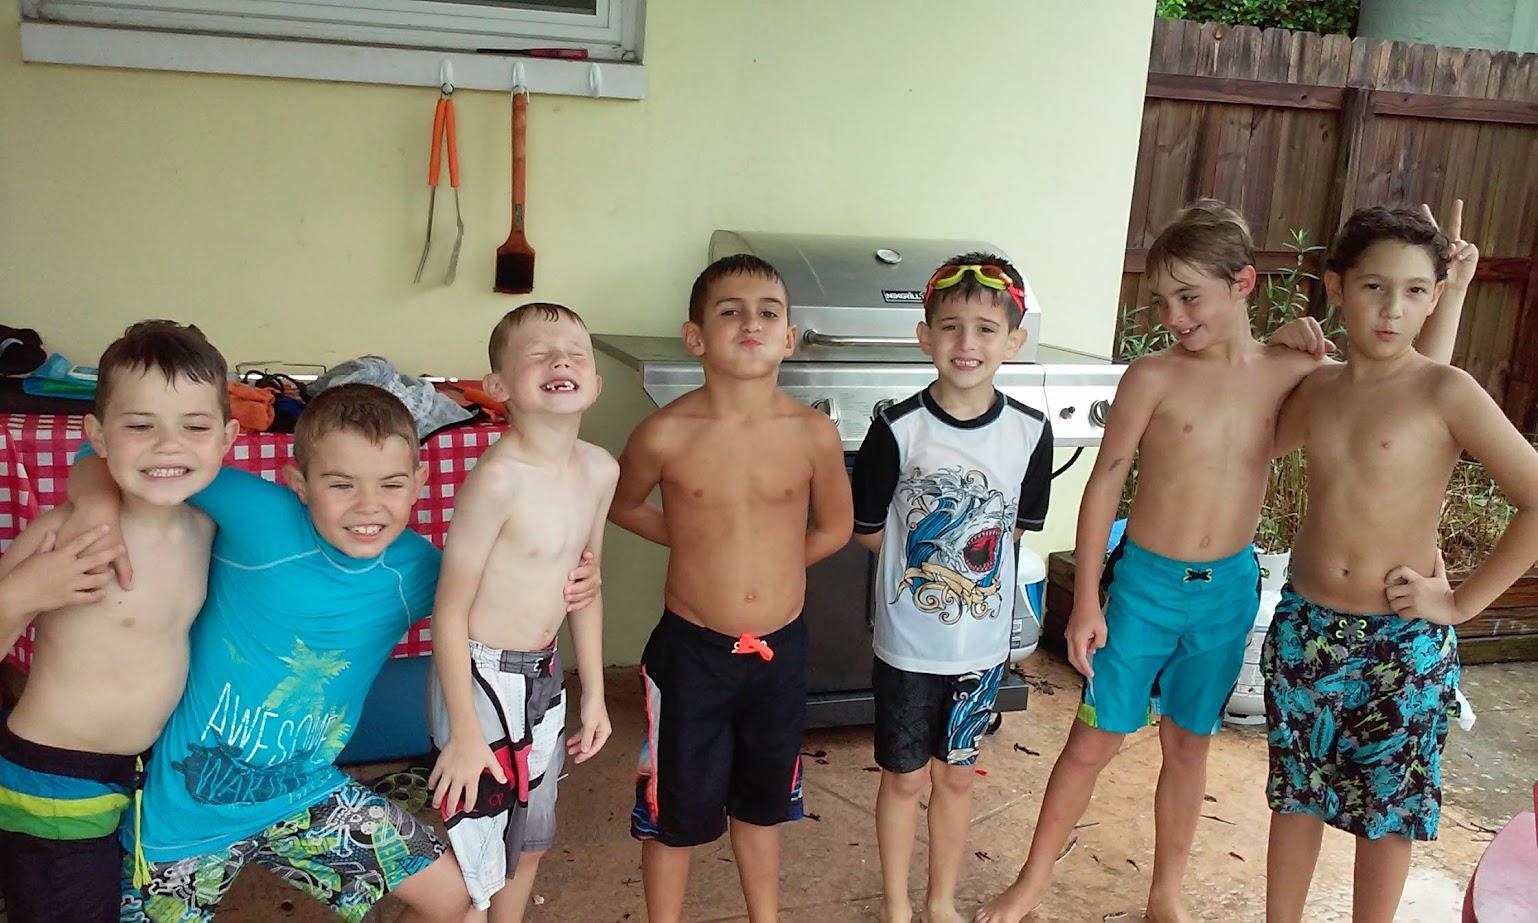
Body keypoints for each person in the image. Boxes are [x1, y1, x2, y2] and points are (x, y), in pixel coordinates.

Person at [976, 199, 1472, 923]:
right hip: (1145, 586)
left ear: (1242, 283)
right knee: (1092, 741)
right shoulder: (1152, 376)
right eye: (1162, 301)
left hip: (1227, 591)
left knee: (1188, 745)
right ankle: (1030, 882)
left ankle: (1166, 893)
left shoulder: (1293, 370)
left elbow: (1414, 390)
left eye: (1190, 297)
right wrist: (1086, 598)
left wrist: (1447, 294)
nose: (1174, 315)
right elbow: (1106, 478)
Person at [64, 381, 596, 922]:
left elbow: (512, 599)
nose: (369, 507)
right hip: (181, 816)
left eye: (390, 485)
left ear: (419, 483)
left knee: (458, 899)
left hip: (306, 794)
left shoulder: (421, 570)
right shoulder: (257, 512)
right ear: (299, 482)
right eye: (341, 485)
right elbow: (101, 455)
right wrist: (94, 513)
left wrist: (580, 580)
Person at [1263, 205, 1525, 923]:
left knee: (1388, 815)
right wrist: (1274, 352)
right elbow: (1249, 442)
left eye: (1415, 291)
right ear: (1337, 287)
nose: (1392, 308)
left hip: (1401, 645)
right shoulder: (1315, 388)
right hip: (1306, 631)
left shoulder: (1446, 392)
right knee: (1297, 795)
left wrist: (1461, 603)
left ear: (1435, 297)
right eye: (1375, 287)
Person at [608, 253, 854, 922]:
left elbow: (834, 525)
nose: (751, 322)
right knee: (674, 807)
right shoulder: (663, 432)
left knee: (764, 799)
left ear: (789, 338)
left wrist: (779, 558)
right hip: (692, 654)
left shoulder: (812, 432)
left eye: (768, 312)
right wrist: (695, 540)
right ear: (696, 338)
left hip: (780, 652)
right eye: (730, 310)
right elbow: (624, 504)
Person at [0, 321, 237, 923]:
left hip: (140, 771)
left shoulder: (208, 533)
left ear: (228, 438)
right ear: (97, 437)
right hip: (54, 774)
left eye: (194, 426)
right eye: (140, 425)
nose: (168, 446)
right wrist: (26, 591)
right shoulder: (65, 536)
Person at [850, 254, 1053, 923]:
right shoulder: (897, 428)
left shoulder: (1031, 432)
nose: (967, 344)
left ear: (1014, 341)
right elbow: (871, 530)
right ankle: (897, 903)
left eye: (987, 329)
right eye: (951, 327)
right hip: (909, 646)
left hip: (981, 651)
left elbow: (1018, 531)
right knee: (904, 777)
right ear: (923, 335)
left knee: (957, 775)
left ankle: (940, 901)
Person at [427, 303, 618, 921]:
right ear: (498, 387)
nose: (560, 359)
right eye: (539, 352)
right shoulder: (498, 480)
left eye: (575, 352)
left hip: (543, 676)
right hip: (479, 682)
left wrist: (593, 694)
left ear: (595, 381)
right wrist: (462, 732)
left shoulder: (599, 469)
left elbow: (586, 586)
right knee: (474, 860)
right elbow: (448, 613)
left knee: (529, 842)